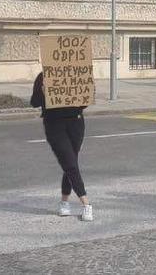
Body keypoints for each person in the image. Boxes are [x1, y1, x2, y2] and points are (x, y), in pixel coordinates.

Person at [30, 72, 93, 221]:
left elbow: (85, 103)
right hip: (54, 125)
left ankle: (64, 202)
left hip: (76, 123)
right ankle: (86, 204)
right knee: (70, 163)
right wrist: (43, 92)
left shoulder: (78, 73)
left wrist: (86, 89)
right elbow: (34, 102)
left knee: (71, 164)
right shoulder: (43, 76)